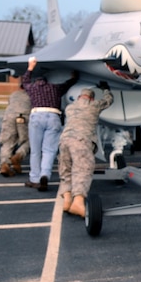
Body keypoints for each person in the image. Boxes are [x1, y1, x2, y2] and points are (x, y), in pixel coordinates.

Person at [21, 57, 78, 192]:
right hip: (53, 116)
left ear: (37, 81)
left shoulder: (32, 88)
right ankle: (45, 175)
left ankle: (34, 178)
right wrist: (74, 76)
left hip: (37, 116)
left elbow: (25, 82)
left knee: (36, 151)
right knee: (49, 150)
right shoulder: (55, 88)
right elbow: (68, 83)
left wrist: (30, 67)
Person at [58, 86, 113, 217]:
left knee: (66, 170)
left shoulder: (70, 108)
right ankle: (78, 201)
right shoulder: (94, 105)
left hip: (64, 141)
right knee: (82, 170)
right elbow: (109, 100)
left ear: (79, 97)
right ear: (91, 98)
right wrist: (106, 89)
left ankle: (67, 199)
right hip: (81, 141)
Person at [0, 81, 31, 177]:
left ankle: (4, 164)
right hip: (24, 117)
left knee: (8, 141)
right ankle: (18, 156)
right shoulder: (32, 95)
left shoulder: (13, 95)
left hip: (9, 117)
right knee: (28, 140)